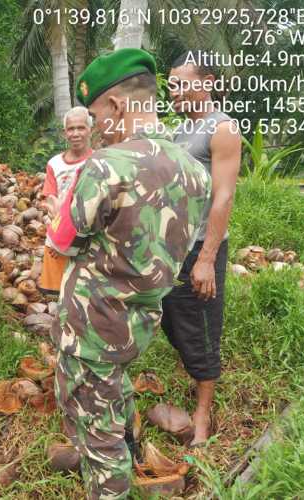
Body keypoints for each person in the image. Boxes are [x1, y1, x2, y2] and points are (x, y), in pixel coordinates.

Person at [45, 49, 211, 499]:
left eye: (97, 115)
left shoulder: (107, 165)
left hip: (91, 325)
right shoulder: (197, 173)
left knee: (98, 439)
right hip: (139, 320)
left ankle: (112, 479)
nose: (97, 127)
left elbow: (61, 241)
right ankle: (130, 451)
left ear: (117, 105)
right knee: (115, 391)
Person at [163, 51, 241, 446]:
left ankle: (202, 413)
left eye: (181, 83)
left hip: (200, 249)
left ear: (207, 81)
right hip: (175, 249)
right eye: (171, 84)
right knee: (173, 319)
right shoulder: (180, 131)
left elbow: (223, 196)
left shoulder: (222, 128)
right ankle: (192, 372)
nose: (173, 91)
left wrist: (207, 258)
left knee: (204, 325)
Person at [39, 106, 93, 296]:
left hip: (88, 244)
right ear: (64, 133)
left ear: (90, 130)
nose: (75, 133)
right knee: (57, 301)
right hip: (58, 240)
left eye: (81, 128)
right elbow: (50, 203)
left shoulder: (98, 162)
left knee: (84, 300)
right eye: (71, 129)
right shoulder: (54, 164)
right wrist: (58, 242)